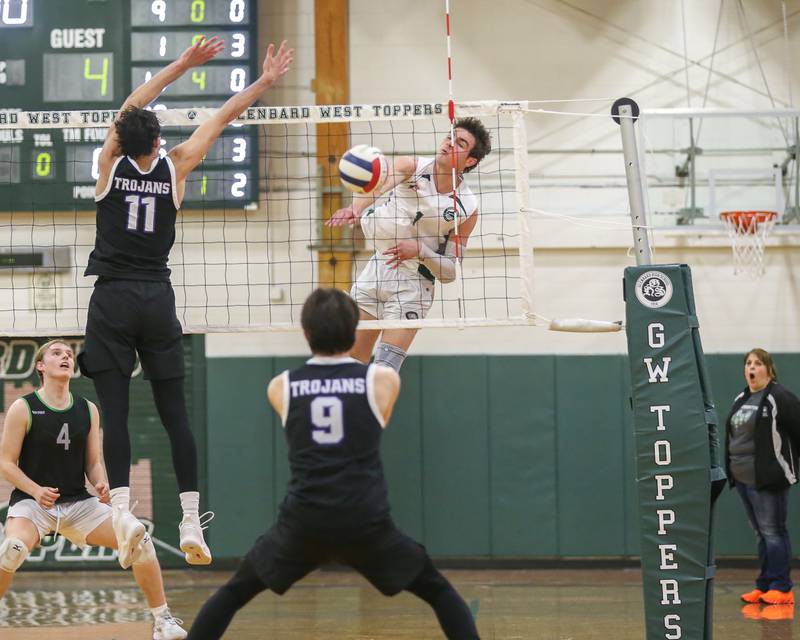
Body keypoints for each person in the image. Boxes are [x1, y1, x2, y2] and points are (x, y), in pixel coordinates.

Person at [77, 37, 293, 566]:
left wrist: (180, 65)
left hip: (111, 299)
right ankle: (192, 520)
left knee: (115, 413)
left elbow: (130, 108)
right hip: (156, 297)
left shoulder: (109, 163)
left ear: (122, 141)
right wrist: (263, 82)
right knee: (175, 415)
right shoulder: (176, 166)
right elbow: (221, 116)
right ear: (156, 139)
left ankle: (124, 515)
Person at [185, 288, 479, 639]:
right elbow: (375, 400)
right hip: (364, 519)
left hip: (304, 520)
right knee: (440, 592)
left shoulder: (281, 386)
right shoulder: (383, 381)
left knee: (233, 594)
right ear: (354, 330)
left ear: (305, 333)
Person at [0, 340, 187, 640]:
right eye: (57, 353)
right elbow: (6, 464)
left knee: (141, 541)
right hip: (33, 503)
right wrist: (35, 491)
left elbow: (93, 462)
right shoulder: (24, 408)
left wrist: (101, 483)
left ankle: (163, 621)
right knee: (11, 551)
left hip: (78, 503)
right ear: (40, 366)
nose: (66, 357)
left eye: (69, 354)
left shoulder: (87, 409)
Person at [326, 118, 491, 372]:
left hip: (414, 284)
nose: (448, 144)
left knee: (384, 372)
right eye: (449, 137)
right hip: (377, 270)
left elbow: (448, 272)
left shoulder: (467, 208)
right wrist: (355, 208)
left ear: (470, 161)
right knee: (348, 369)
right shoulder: (410, 166)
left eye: (460, 143)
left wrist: (421, 251)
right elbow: (377, 188)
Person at [726, 348, 800, 606]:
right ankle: (765, 584)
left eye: (757, 363)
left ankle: (782, 587)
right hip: (744, 479)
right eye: (748, 363)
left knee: (774, 532)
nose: (751, 368)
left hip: (769, 479)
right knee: (761, 533)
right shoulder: (742, 397)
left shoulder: (780, 397)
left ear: (769, 369)